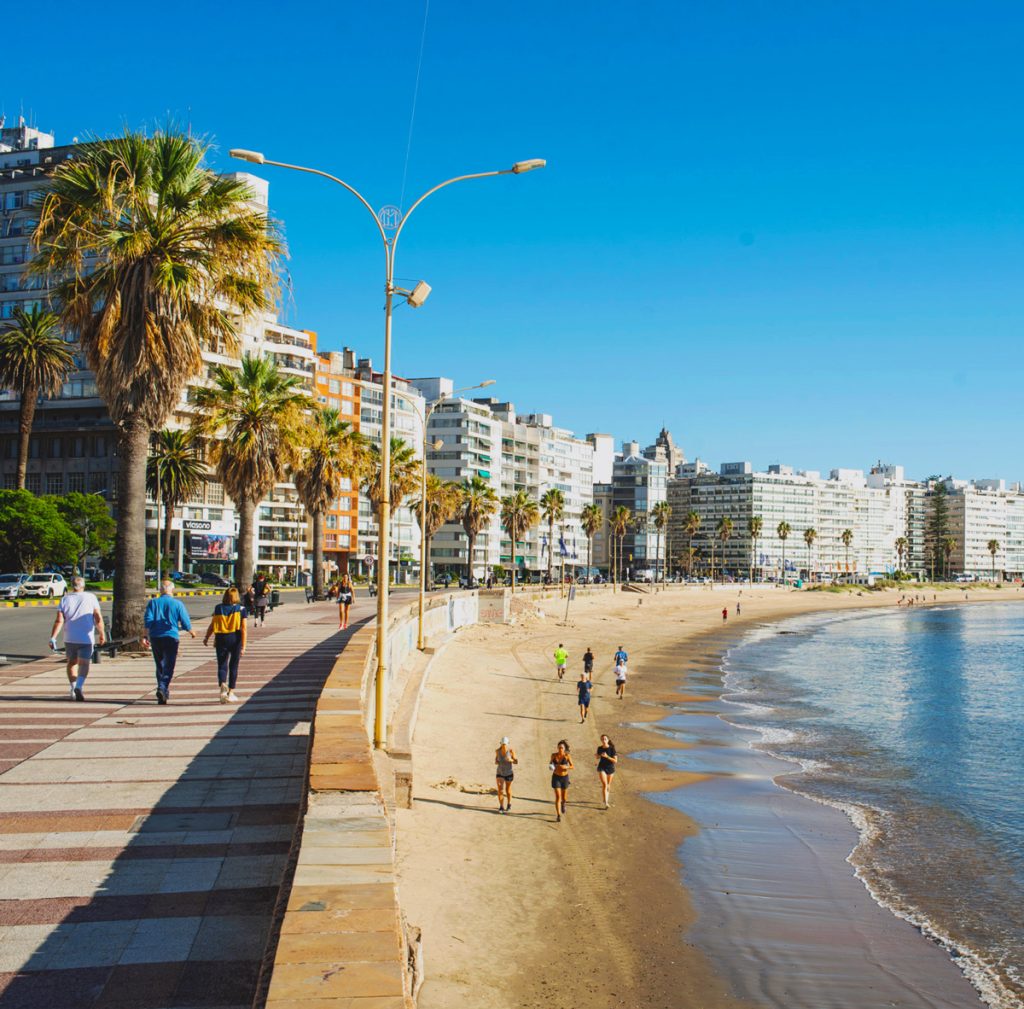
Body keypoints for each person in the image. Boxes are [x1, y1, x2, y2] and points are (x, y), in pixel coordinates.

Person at [49, 576, 106, 702]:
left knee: (71, 663)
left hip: (70, 638)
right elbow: (98, 617)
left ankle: (73, 688)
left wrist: (53, 637)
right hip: (86, 638)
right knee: (84, 663)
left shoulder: (65, 599)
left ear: (71, 586)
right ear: (84, 586)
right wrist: (102, 633)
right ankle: (79, 686)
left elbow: (59, 620)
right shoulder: (91, 597)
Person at [143, 580, 195, 704]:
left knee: (159, 664)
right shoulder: (177, 604)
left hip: (155, 637)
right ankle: (162, 687)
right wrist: (191, 631)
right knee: (169, 665)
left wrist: (145, 636)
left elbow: (148, 620)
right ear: (172, 590)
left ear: (161, 590)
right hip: (171, 637)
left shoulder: (153, 603)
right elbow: (185, 621)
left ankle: (163, 693)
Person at [203, 587, 247, 703]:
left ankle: (223, 684)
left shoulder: (218, 608)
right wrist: (243, 646)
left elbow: (213, 625)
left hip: (221, 638)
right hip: (235, 638)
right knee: (234, 665)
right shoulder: (241, 609)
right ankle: (231, 692)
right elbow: (244, 629)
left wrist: (207, 637)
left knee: (222, 664)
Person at [549, 739, 573, 821]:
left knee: (564, 798)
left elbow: (572, 766)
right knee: (558, 797)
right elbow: (550, 764)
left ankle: (563, 803)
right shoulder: (553, 755)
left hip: (564, 778)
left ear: (564, 748)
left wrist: (566, 767)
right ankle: (558, 815)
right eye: (559, 747)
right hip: (556, 777)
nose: (560, 749)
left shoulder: (567, 756)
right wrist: (551, 767)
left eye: (562, 748)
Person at [495, 736, 518, 813]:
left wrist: (511, 760)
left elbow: (516, 761)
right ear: (501, 744)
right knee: (500, 790)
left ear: (507, 744)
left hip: (509, 773)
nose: (504, 745)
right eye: (503, 744)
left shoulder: (511, 751)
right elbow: (496, 760)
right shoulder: (497, 751)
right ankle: (501, 806)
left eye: (505, 744)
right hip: (500, 773)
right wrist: (496, 762)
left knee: (508, 790)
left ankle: (509, 804)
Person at [596, 734, 618, 808]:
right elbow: (597, 757)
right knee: (605, 784)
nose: (604, 740)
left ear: (608, 740)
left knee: (608, 785)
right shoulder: (599, 748)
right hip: (602, 767)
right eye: (602, 739)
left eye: (605, 739)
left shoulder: (612, 749)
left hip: (610, 768)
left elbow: (615, 761)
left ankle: (605, 799)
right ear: (601, 740)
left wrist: (607, 756)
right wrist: (598, 756)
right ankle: (606, 803)